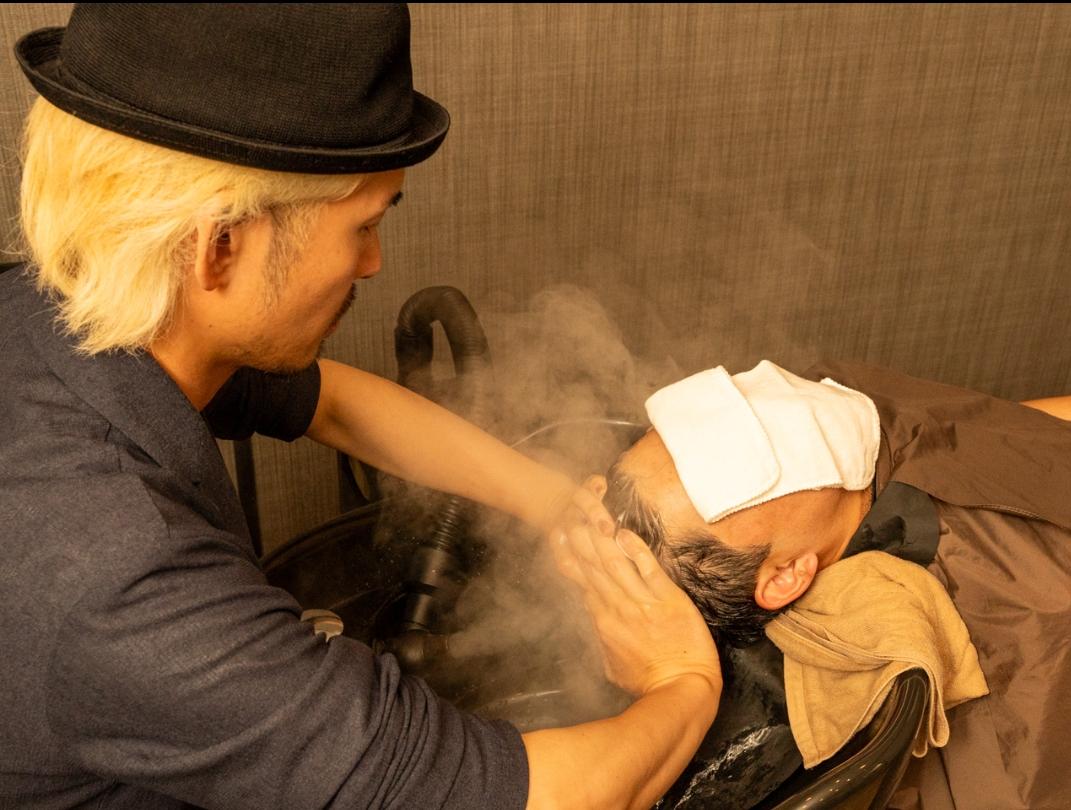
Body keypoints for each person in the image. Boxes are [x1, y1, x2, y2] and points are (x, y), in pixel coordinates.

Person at [0, 5, 722, 809]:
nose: (374, 263)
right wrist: (683, 679)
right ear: (218, 245)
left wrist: (555, 502)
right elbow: (546, 798)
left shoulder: (59, 313)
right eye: (364, 226)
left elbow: (335, 404)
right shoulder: (123, 577)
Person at [596, 358, 1071, 809]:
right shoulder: (1010, 599)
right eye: (739, 470)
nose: (757, 401)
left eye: (679, 434)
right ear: (786, 576)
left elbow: (996, 423)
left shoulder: (830, 406)